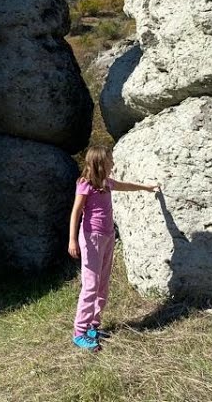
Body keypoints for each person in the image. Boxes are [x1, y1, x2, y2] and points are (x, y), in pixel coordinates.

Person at [68, 145, 160, 351]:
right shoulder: (85, 185)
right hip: (91, 238)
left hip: (108, 236)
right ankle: (79, 332)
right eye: (110, 160)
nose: (113, 163)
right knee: (90, 285)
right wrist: (72, 240)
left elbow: (126, 186)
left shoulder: (106, 183)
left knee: (102, 284)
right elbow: (75, 213)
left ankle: (93, 326)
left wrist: (147, 187)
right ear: (100, 162)